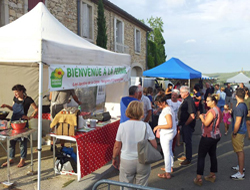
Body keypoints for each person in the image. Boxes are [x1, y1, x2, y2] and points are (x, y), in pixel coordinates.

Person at [112, 101, 157, 189]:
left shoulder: (122, 126)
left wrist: (114, 157)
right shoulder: (146, 126)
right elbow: (154, 145)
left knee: (125, 186)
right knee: (142, 186)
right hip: (143, 160)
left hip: (126, 160)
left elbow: (117, 146)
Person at [1, 84, 38, 168]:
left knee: (22, 142)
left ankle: (22, 160)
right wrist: (6, 106)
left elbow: (36, 109)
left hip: (22, 123)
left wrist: (29, 117)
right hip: (14, 122)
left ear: (21, 91)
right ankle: (11, 158)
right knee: (11, 141)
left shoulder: (28, 99)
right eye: (14, 93)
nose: (15, 94)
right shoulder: (15, 98)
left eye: (16, 92)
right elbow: (13, 108)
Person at [194, 94, 222, 186]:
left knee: (201, 156)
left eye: (208, 101)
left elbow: (206, 123)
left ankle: (199, 178)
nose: (206, 102)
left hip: (208, 136)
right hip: (215, 135)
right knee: (212, 154)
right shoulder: (218, 110)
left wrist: (202, 117)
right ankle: (212, 175)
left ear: (213, 101)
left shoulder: (211, 111)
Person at [153, 96, 176, 179]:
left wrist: (158, 126)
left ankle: (167, 173)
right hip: (169, 133)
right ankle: (169, 167)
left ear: (163, 102)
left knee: (166, 153)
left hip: (166, 134)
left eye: (159, 104)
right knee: (169, 151)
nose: (159, 106)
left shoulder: (167, 111)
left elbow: (169, 125)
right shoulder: (168, 108)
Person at [230, 88, 248, 180]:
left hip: (239, 131)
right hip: (242, 130)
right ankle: (240, 167)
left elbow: (238, 121)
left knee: (239, 151)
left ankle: (241, 172)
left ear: (236, 96)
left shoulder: (239, 107)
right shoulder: (243, 105)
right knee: (239, 150)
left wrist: (234, 132)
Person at [177, 86, 196, 166]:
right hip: (184, 123)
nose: (180, 94)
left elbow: (192, 115)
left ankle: (188, 159)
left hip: (187, 124)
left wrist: (186, 124)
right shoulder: (186, 100)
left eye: (181, 92)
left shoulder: (189, 101)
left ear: (186, 93)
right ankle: (186, 155)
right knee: (185, 140)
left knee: (188, 141)